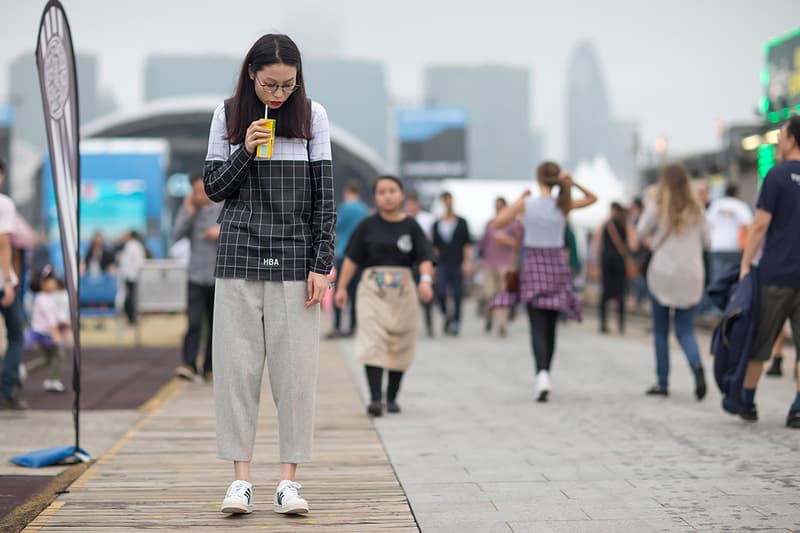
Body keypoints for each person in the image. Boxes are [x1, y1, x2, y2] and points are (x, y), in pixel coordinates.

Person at [203, 34, 335, 516]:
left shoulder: (313, 117)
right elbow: (214, 189)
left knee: (296, 376)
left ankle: (287, 481)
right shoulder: (228, 114)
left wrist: (323, 264)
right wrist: (245, 148)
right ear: (251, 74)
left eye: (288, 84)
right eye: (269, 84)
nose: (278, 94)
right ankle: (240, 482)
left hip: (296, 259)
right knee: (236, 372)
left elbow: (325, 198)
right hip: (238, 254)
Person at [492, 161, 596, 402]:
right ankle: (546, 371)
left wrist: (518, 200)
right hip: (557, 265)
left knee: (536, 324)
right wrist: (572, 182)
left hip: (534, 263)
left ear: (537, 179)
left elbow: (498, 223)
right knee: (551, 325)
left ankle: (541, 374)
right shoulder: (563, 205)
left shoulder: (528, 204)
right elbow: (593, 198)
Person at [335, 175, 433, 417]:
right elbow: (352, 258)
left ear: (401, 195)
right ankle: (375, 398)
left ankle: (392, 397)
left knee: (401, 341)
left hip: (404, 290)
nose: (387, 196)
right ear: (375, 197)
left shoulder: (411, 226)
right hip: (372, 290)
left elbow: (425, 257)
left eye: (392, 191)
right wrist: (341, 288)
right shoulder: (367, 225)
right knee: (372, 339)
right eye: (381, 192)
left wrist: (426, 281)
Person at [738, 116, 800, 428]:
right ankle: (799, 408)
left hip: (777, 274)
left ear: (791, 140)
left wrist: (746, 263)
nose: (778, 143)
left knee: (761, 340)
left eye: (781, 137)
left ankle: (747, 400)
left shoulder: (776, 176)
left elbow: (760, 224)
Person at [637, 163, 709, 400]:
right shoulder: (697, 209)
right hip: (691, 274)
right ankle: (696, 366)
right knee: (685, 330)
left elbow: (639, 232)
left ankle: (663, 382)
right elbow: (708, 242)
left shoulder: (658, 206)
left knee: (660, 330)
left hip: (663, 273)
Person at [172, 171, 222, 383]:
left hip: (217, 277)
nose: (199, 195)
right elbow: (176, 234)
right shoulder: (190, 210)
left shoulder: (222, 207)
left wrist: (220, 231)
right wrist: (189, 210)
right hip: (195, 276)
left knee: (215, 325)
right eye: (195, 192)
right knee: (193, 322)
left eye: (202, 191)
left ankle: (210, 367)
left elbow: (237, 231)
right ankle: (189, 364)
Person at [0, 158, 26, 410]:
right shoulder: (4, 204)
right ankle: (6, 389)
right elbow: (4, 244)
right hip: (2, 281)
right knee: (16, 335)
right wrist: (8, 281)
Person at [327, 180, 368, 339]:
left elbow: (335, 226)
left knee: (339, 290)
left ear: (347, 192)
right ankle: (352, 327)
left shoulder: (346, 207)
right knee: (355, 292)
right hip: (360, 256)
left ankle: (337, 326)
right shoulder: (364, 209)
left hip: (344, 254)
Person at [477, 197, 522, 337]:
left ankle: (502, 324)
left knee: (504, 295)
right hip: (490, 263)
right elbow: (482, 244)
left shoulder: (513, 225)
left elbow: (519, 244)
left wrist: (506, 240)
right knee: (489, 294)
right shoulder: (490, 224)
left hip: (506, 264)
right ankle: (489, 316)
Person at [592, 202, 637, 334]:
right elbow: (633, 245)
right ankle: (621, 324)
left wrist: (596, 262)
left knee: (605, 293)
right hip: (620, 263)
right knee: (620, 294)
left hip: (607, 262)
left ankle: (603, 323)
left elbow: (596, 243)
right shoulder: (626, 226)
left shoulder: (605, 224)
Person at [432, 192, 472, 336]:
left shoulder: (461, 222)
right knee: (441, 292)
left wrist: (467, 261)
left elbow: (467, 243)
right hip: (442, 262)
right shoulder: (437, 224)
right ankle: (447, 315)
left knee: (457, 294)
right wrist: (433, 266)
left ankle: (456, 322)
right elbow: (435, 247)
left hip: (457, 262)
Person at [29, 265, 67, 393]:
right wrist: (56, 334)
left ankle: (22, 371)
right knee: (59, 356)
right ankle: (53, 381)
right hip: (45, 334)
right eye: (51, 281)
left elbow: (53, 316)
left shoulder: (49, 297)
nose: (54, 283)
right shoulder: (43, 299)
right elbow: (50, 319)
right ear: (43, 283)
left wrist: (62, 323)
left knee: (47, 359)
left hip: (45, 333)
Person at [706, 184, 752, 284]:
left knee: (716, 278)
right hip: (735, 247)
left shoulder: (715, 205)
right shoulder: (741, 205)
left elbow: (707, 224)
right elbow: (748, 227)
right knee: (733, 278)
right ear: (737, 193)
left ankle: (716, 298)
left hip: (716, 246)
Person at [405, 192, 436, 337]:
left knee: (426, 294)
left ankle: (429, 325)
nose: (410, 207)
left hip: (423, 258)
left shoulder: (428, 220)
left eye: (413, 204)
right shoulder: (403, 219)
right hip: (408, 262)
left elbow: (432, 243)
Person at [117, 230, 147, 326]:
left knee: (131, 299)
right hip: (132, 276)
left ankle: (132, 319)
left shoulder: (132, 246)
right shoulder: (136, 246)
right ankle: (131, 319)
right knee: (130, 299)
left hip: (132, 276)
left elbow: (133, 263)